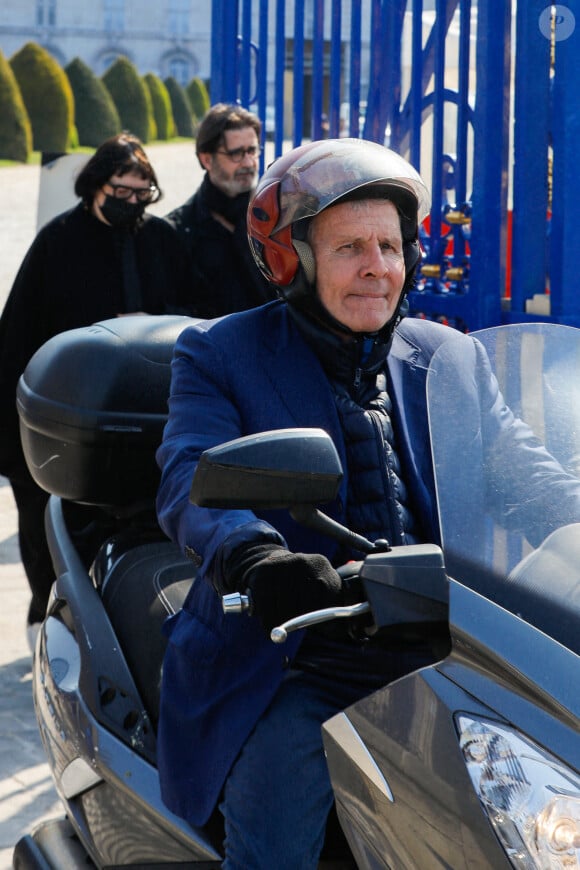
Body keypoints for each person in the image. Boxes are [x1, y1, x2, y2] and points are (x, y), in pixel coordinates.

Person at [155, 138, 580, 868]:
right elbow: (190, 475)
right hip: (295, 661)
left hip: (444, 650)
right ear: (292, 260)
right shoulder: (221, 354)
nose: (377, 267)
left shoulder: (448, 355)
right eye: (350, 246)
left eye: (389, 245)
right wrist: (256, 557)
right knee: (278, 849)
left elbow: (527, 474)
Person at [0, 132, 194, 648]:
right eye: (121, 191)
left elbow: (194, 320)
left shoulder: (163, 239)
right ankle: (49, 616)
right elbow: (19, 333)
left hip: (143, 418)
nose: (132, 203)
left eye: (141, 193)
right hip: (65, 411)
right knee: (51, 522)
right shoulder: (57, 241)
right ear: (94, 187)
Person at [165, 102, 277, 317]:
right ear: (207, 159)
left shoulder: (277, 215)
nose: (248, 163)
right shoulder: (178, 230)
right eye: (236, 154)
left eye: (252, 151)